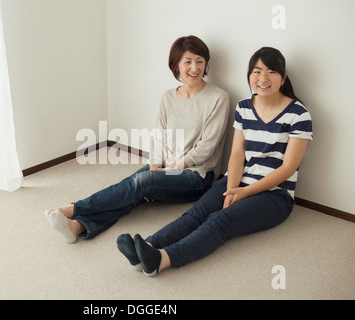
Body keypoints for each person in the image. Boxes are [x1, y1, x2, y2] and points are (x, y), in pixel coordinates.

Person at [117, 47, 313, 276]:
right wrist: (232, 189)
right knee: (197, 213)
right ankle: (149, 246)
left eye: (271, 72)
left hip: (275, 194)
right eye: (257, 71)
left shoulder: (299, 115)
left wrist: (244, 193)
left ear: (283, 77)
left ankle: (162, 260)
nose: (263, 79)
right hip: (237, 181)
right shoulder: (244, 107)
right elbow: (238, 154)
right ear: (249, 74)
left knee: (220, 221)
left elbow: (288, 168)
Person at [45, 35, 230, 244]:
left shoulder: (218, 98)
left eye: (200, 61)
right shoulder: (168, 97)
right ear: (176, 65)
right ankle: (78, 226)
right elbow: (159, 136)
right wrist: (154, 166)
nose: (194, 68)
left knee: (141, 183)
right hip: (167, 167)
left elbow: (207, 147)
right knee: (131, 187)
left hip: (198, 176)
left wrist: (163, 174)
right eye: (187, 61)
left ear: (206, 63)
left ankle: (74, 208)